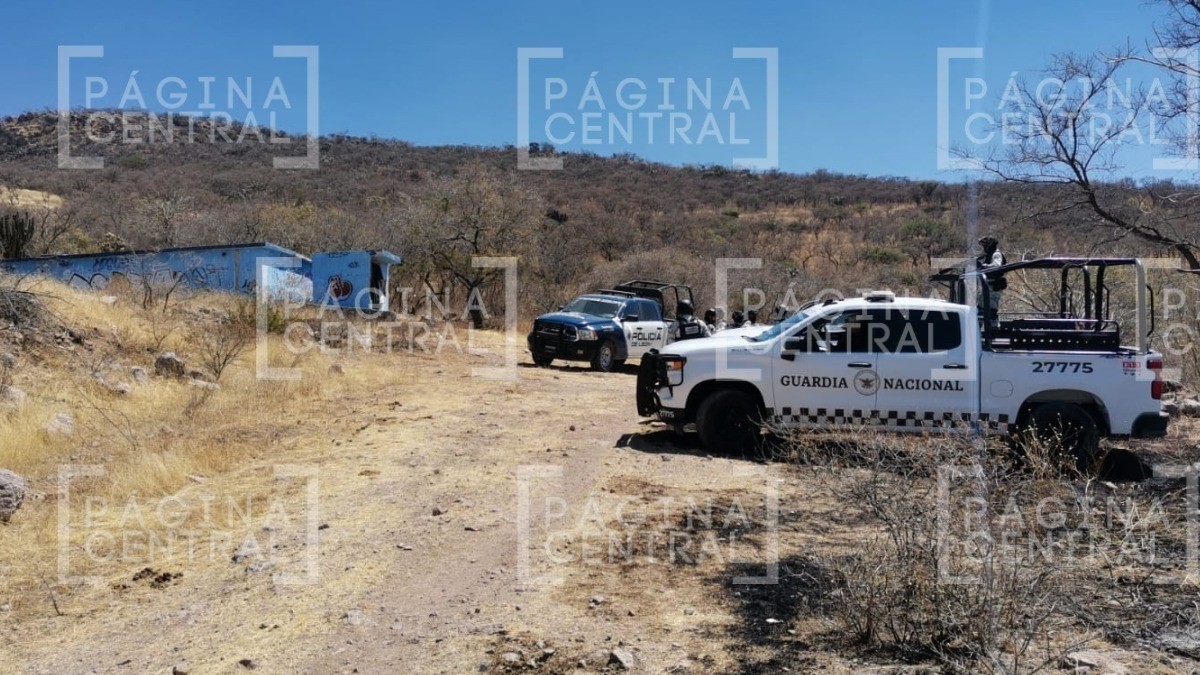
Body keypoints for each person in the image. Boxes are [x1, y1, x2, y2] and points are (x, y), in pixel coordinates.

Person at [976, 236, 1006, 325]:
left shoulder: (996, 254)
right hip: (986, 285)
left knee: (991, 310)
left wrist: (983, 266)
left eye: (985, 246)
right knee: (981, 309)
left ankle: (994, 329)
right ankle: (978, 329)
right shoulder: (987, 254)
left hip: (994, 285)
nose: (984, 248)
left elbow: (996, 265)